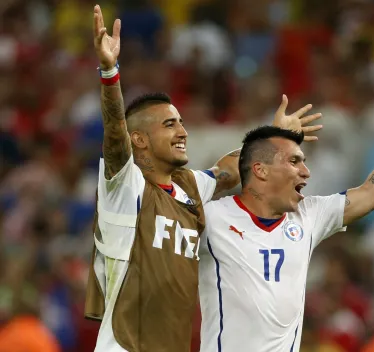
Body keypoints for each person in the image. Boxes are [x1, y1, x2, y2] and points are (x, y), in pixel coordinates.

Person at [85, 5, 322, 352]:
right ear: (140, 140)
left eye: (180, 122)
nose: (182, 131)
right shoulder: (125, 188)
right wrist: (110, 73)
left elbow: (229, 171)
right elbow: (116, 136)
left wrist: (273, 137)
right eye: (169, 124)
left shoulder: (189, 187)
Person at [198, 70, 374, 351]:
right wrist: (272, 137)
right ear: (261, 171)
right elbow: (191, 189)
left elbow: (373, 193)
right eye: (294, 162)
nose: (305, 171)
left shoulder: (308, 216)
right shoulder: (213, 218)